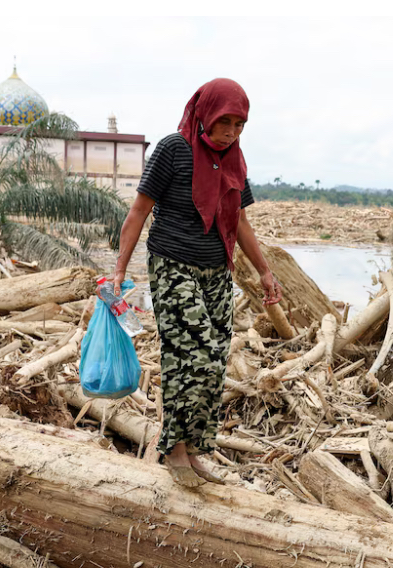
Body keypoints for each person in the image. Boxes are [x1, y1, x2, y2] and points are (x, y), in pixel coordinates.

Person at [112, 78, 282, 487]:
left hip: (217, 273)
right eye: (224, 122)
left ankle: (193, 449)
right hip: (173, 266)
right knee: (188, 355)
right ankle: (172, 450)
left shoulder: (235, 160)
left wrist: (263, 270)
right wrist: (120, 270)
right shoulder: (173, 149)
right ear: (205, 114)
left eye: (239, 125)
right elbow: (138, 211)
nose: (231, 132)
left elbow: (240, 220)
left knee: (214, 361)